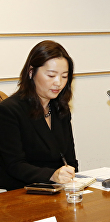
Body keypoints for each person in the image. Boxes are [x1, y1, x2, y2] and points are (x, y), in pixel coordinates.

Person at [0, 40, 78, 191]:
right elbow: (15, 166)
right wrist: (52, 175)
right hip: (20, 192)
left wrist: (69, 175)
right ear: (31, 72)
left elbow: (70, 159)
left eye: (64, 76)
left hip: (58, 190)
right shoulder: (9, 111)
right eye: (51, 75)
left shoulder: (60, 108)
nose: (58, 83)